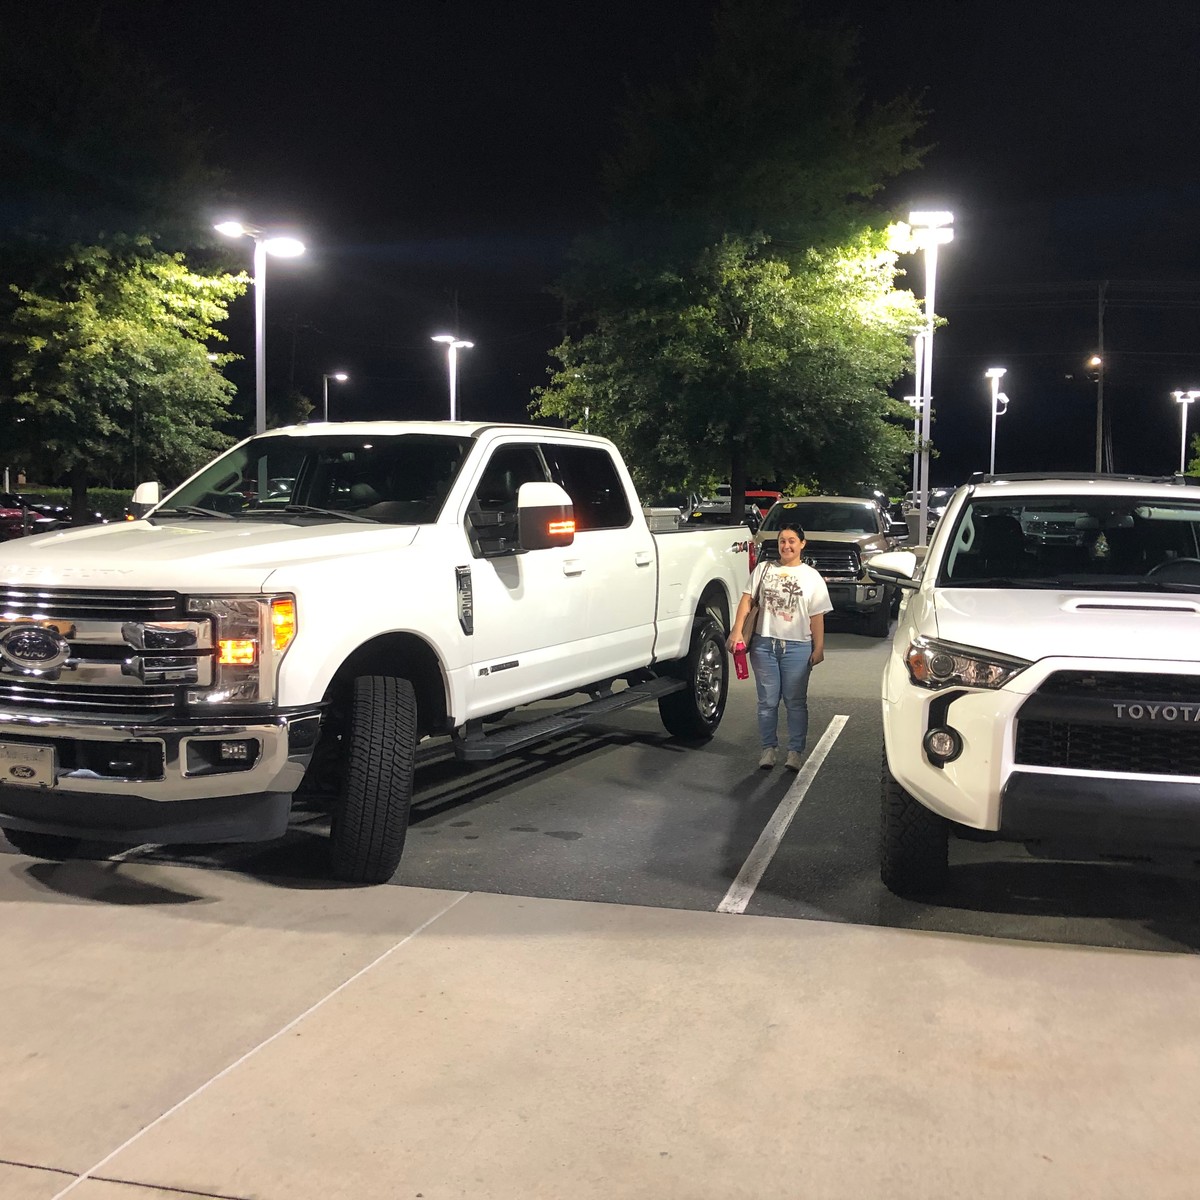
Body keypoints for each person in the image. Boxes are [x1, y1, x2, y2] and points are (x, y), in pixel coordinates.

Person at [727, 524, 832, 771]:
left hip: (798, 646)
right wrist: (736, 631)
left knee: (795, 701)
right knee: (767, 701)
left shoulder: (811, 577)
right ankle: (768, 749)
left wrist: (819, 648)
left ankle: (795, 752)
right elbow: (746, 601)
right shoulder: (764, 569)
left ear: (802, 544)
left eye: (792, 541)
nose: (786, 546)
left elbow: (817, 616)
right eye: (782, 541)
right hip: (764, 644)